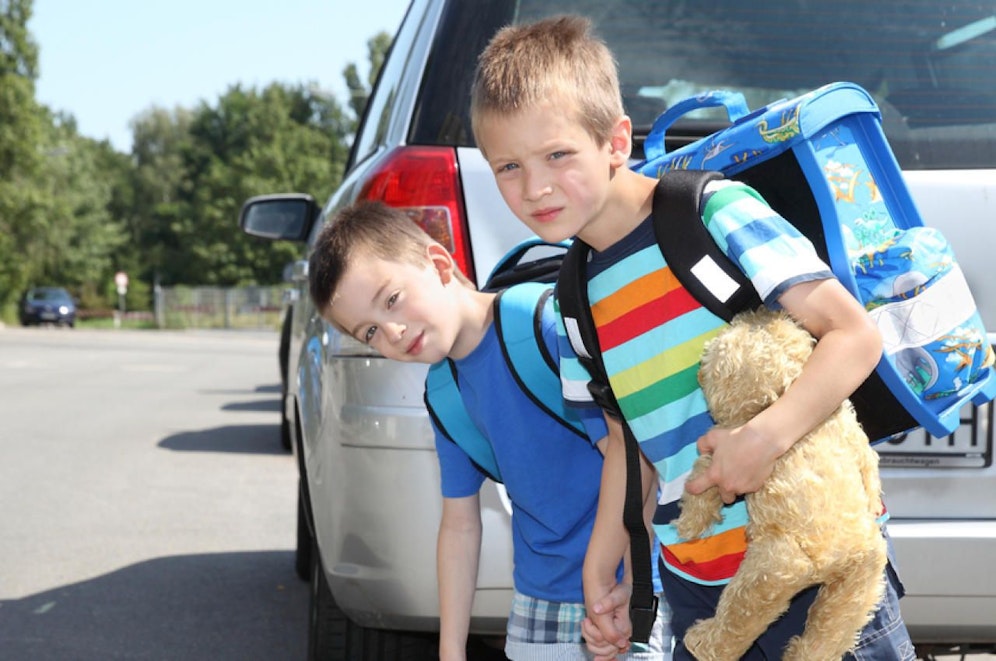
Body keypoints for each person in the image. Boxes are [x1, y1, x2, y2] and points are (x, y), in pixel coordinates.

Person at [470, 14, 915, 661]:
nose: (534, 186)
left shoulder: (709, 214)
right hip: (698, 583)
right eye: (508, 165)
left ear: (616, 140)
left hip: (814, 558)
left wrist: (762, 439)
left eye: (557, 154)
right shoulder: (573, 296)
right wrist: (604, 565)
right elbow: (627, 442)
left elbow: (852, 333)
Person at [307, 200, 672, 661]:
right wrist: (451, 650)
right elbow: (459, 527)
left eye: (392, 300)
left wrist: (626, 583)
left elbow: (634, 462)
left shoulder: (539, 324)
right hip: (537, 598)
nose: (393, 331)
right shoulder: (444, 393)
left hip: (630, 583)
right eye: (370, 332)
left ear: (439, 264)